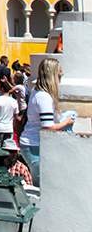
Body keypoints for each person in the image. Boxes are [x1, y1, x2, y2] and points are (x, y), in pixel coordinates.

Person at [20, 57, 75, 186]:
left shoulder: (36, 91)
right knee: (42, 185)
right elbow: (48, 127)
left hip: (31, 143)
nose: (61, 76)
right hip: (34, 145)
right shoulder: (44, 97)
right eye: (59, 73)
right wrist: (66, 122)